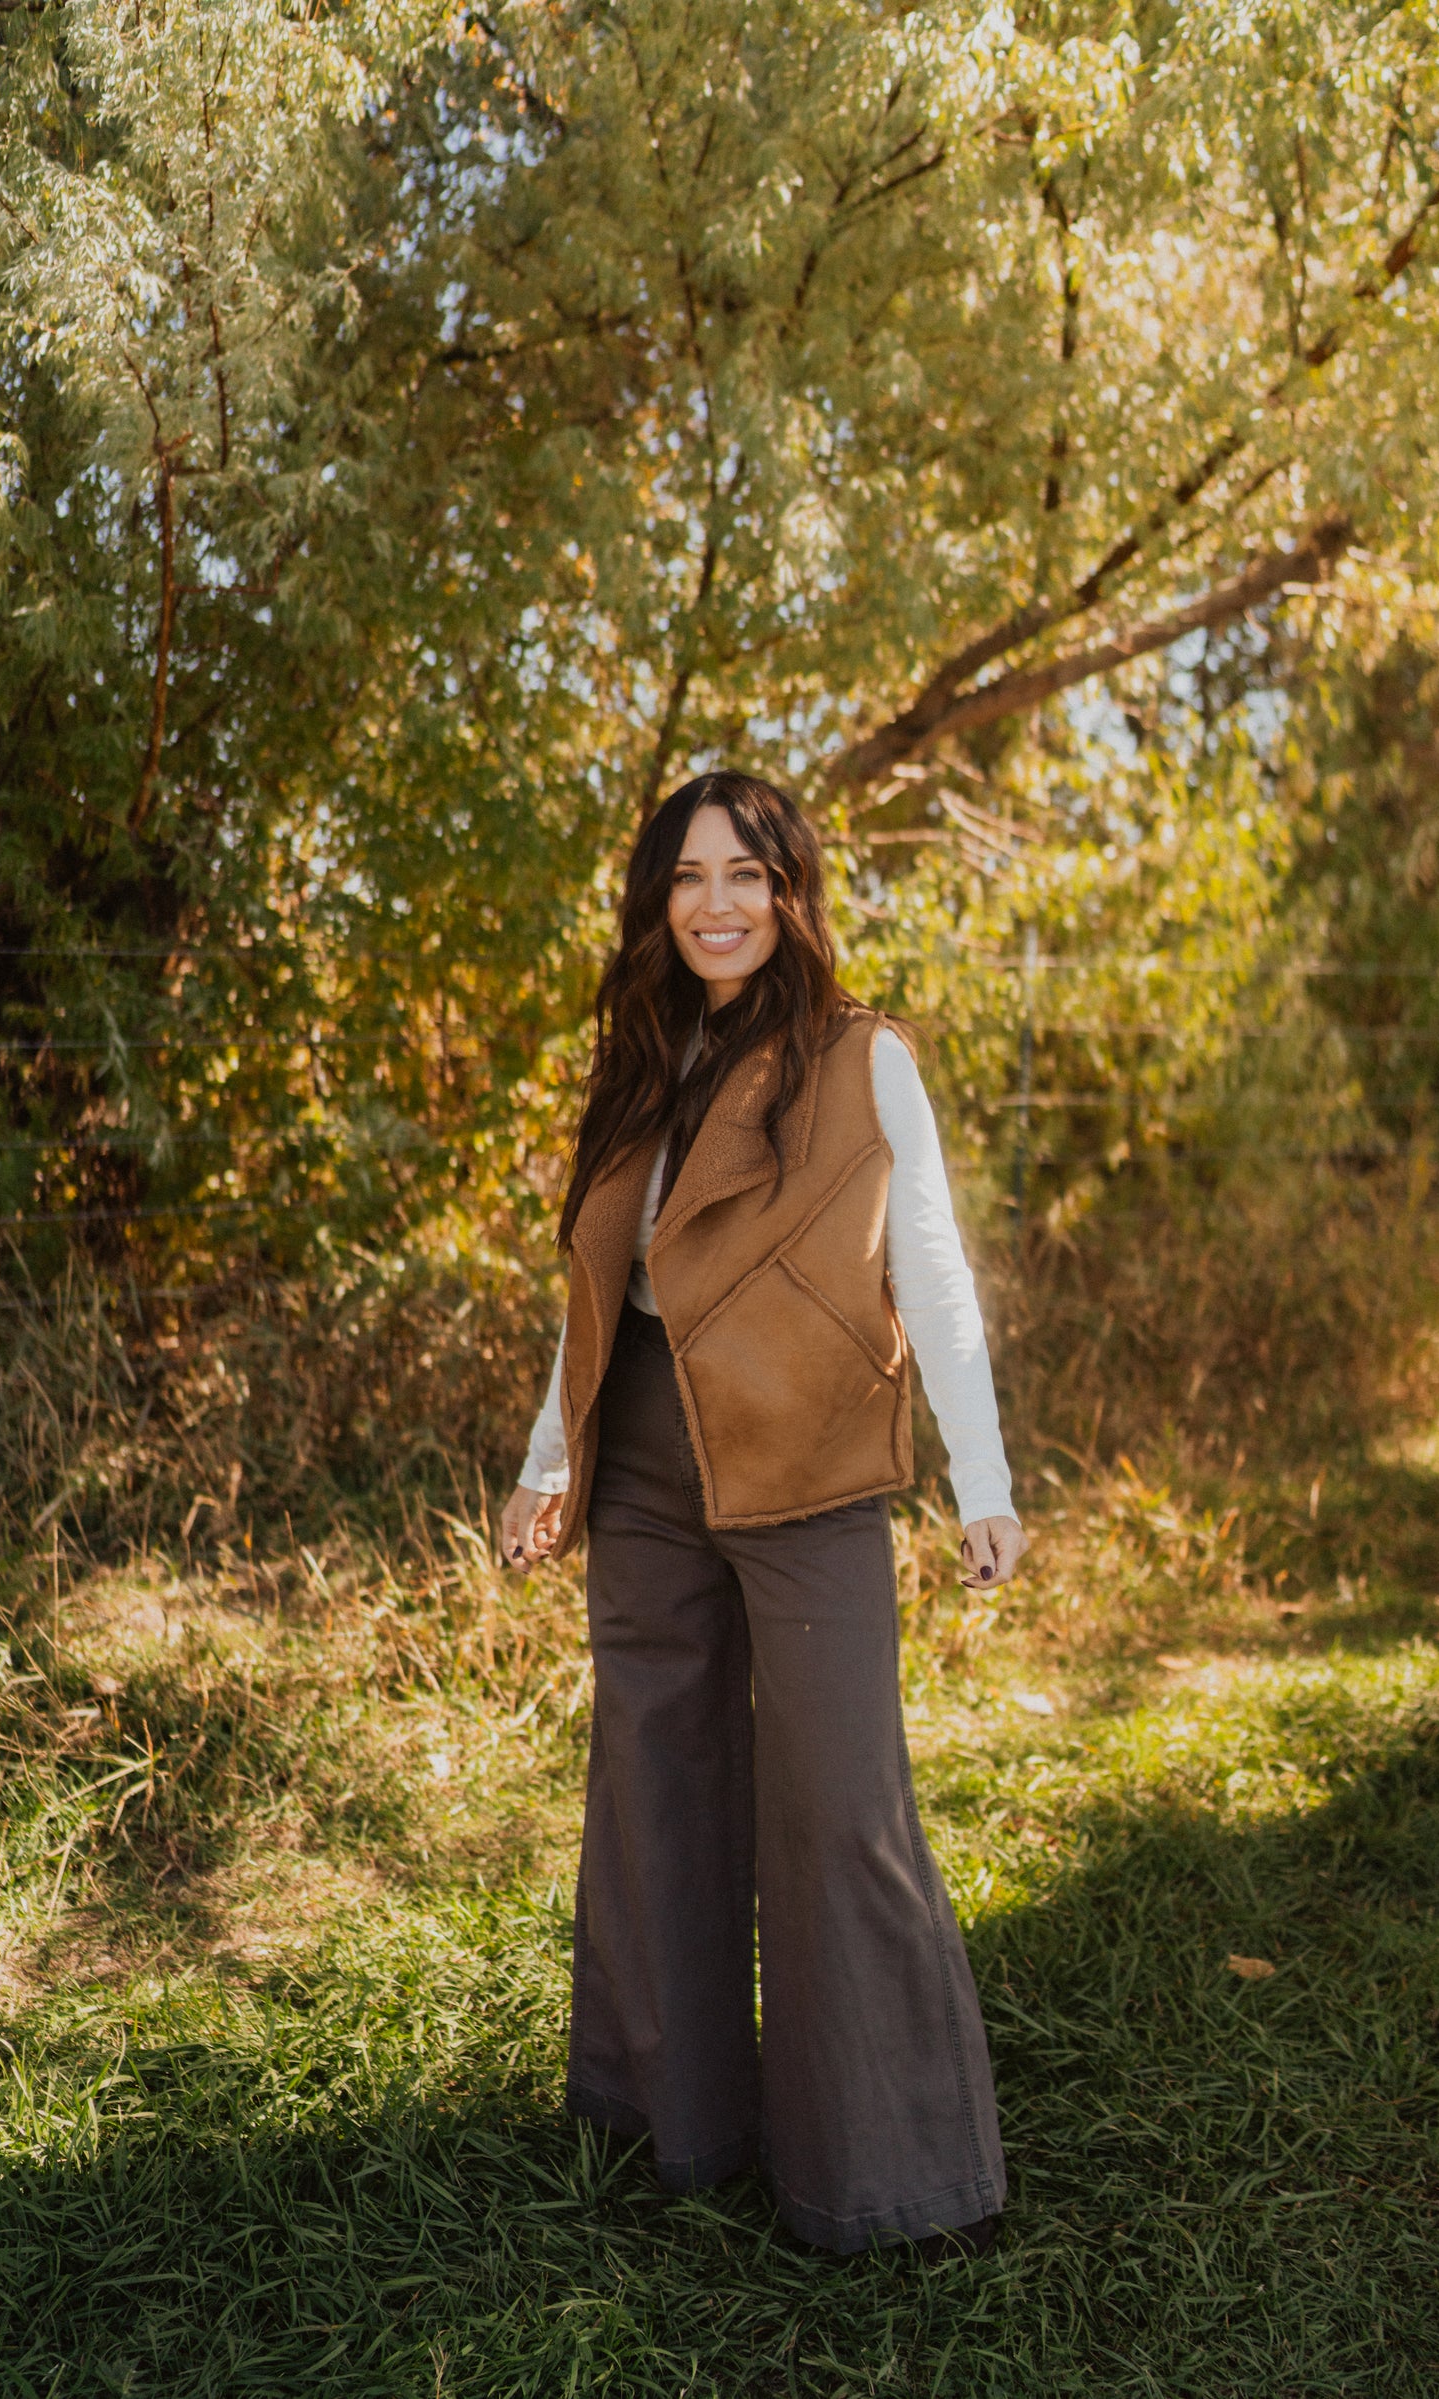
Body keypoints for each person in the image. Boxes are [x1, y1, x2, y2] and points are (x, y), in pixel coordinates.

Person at [500, 770, 1025, 2257]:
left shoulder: (865, 1061)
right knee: (652, 1780)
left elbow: (935, 1273)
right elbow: (600, 1296)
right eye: (687, 878)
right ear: (656, 905)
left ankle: (895, 2181)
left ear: (793, 894)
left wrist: (981, 1482)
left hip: (811, 1466)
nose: (717, 904)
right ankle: (677, 2126)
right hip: (651, 1463)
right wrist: (555, 1462)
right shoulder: (641, 1062)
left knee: (841, 1805)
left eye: (746, 875)